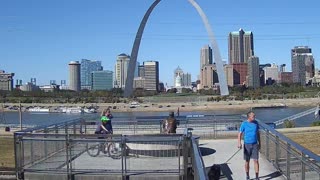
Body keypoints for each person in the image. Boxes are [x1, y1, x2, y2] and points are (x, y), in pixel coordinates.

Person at [237, 111, 260, 180]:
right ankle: (247, 175)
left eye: (254, 116)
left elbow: (258, 133)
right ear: (249, 117)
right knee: (247, 161)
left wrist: (260, 143)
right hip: (247, 144)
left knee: (256, 160)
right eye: (253, 116)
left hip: (255, 144)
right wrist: (239, 143)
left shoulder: (256, 123)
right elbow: (239, 134)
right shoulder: (244, 124)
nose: (254, 117)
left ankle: (257, 177)